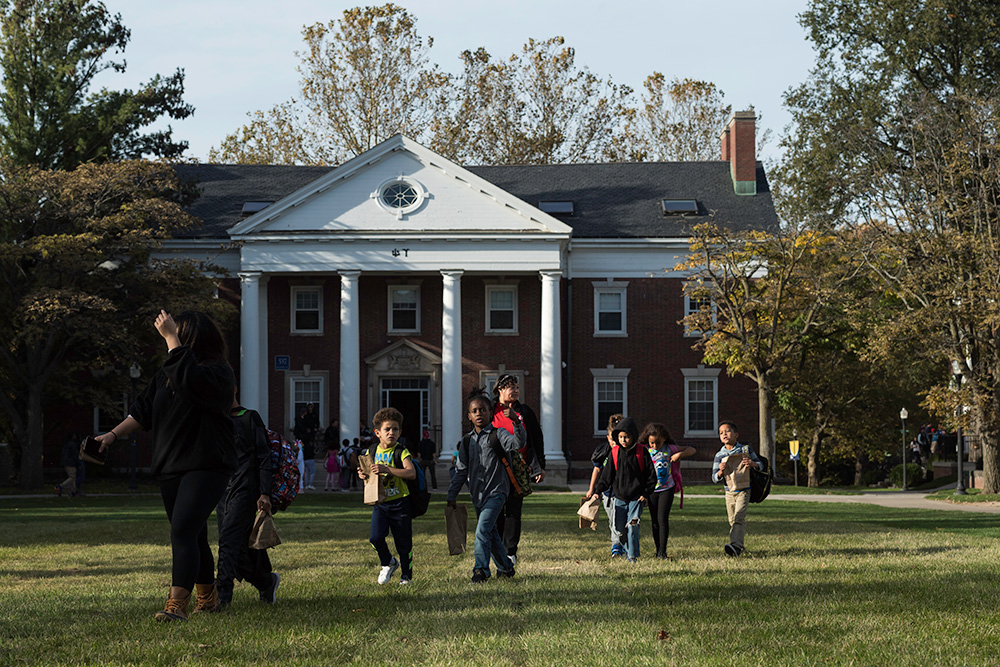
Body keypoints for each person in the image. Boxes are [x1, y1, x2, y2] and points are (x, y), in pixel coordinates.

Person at [92, 310, 236, 621]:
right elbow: (142, 411)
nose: (171, 337)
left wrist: (172, 340)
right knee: (193, 533)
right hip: (171, 463)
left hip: (207, 464)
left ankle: (176, 606)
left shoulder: (218, 373)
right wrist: (112, 435)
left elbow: (191, 384)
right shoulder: (167, 373)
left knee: (182, 530)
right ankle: (208, 598)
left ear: (193, 338)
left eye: (178, 332)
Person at [447, 391, 524, 582]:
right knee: (492, 533)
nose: (479, 413)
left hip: (497, 492)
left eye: (482, 409)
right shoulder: (466, 442)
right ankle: (506, 568)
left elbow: (517, 443)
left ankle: (480, 570)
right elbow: (461, 471)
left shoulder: (499, 434)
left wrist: (517, 423)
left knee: (482, 530)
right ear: (469, 416)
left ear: (490, 413)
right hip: (477, 495)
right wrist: (452, 494)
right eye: (474, 411)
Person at [216, 393, 280, 607]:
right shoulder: (215, 420)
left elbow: (264, 457)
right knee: (240, 547)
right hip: (223, 492)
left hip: (246, 491)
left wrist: (264, 493)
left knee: (227, 541)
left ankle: (222, 597)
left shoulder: (248, 418)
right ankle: (266, 581)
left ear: (231, 389)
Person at [358, 407, 417, 585]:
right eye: (387, 429)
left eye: (395, 429)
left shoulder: (401, 452)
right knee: (375, 538)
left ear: (400, 432)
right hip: (381, 503)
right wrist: (362, 474)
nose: (391, 432)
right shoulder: (372, 451)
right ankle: (388, 562)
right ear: (377, 433)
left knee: (403, 542)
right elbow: (367, 472)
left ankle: (406, 576)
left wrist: (387, 469)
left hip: (400, 503)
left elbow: (411, 473)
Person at [491, 374, 544, 565]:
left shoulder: (525, 412)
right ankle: (498, 548)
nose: (514, 390)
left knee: (513, 510)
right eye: (510, 387)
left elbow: (536, 439)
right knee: (495, 509)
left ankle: (510, 552)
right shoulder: (490, 410)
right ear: (499, 390)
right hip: (495, 467)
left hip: (518, 467)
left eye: (516, 387)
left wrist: (539, 467)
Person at [586, 417, 655, 562]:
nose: (623, 440)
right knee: (619, 529)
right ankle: (625, 547)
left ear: (633, 437)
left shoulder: (642, 452)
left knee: (633, 525)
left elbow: (651, 476)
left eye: (627, 437)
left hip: (637, 497)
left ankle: (632, 556)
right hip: (620, 498)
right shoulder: (615, 452)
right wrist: (597, 492)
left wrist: (646, 493)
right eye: (621, 437)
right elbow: (607, 476)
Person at [640, 423, 695, 559]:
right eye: (651, 442)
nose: (654, 446)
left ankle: (662, 552)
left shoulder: (670, 448)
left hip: (667, 489)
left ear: (664, 438)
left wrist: (679, 455)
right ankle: (657, 549)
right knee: (654, 521)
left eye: (657, 442)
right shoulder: (644, 450)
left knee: (662, 519)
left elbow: (692, 449)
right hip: (651, 490)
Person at [711, 421, 763, 557]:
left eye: (727, 431)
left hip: (744, 489)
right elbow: (714, 477)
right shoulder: (719, 455)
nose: (724, 434)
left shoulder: (745, 450)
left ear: (736, 434)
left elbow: (761, 465)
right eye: (721, 433)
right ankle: (738, 545)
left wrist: (753, 464)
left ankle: (736, 546)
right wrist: (720, 472)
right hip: (729, 491)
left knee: (739, 517)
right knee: (732, 520)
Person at [585, 413, 625, 558]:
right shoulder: (604, 452)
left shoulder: (627, 452)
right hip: (608, 492)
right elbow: (597, 470)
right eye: (611, 438)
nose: (614, 441)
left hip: (624, 492)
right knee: (613, 520)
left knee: (622, 521)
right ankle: (617, 545)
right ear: (608, 437)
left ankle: (619, 545)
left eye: (617, 438)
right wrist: (592, 489)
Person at [294, 404, 319, 490]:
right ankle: (303, 484)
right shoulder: (300, 421)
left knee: (303, 469)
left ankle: (303, 484)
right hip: (302, 442)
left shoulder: (305, 420)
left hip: (304, 443)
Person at [56, 432, 79, 497]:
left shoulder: (66, 444)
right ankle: (60, 486)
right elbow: (75, 454)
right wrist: (78, 463)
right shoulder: (72, 444)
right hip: (71, 463)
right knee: (72, 477)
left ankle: (72, 491)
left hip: (66, 463)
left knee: (72, 478)